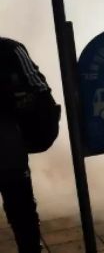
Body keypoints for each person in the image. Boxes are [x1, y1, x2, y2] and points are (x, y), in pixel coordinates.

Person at [0, 38, 51, 253]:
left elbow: (40, 92)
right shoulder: (10, 48)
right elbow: (40, 91)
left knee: (22, 212)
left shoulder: (10, 49)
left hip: (7, 145)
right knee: (22, 213)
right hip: (8, 146)